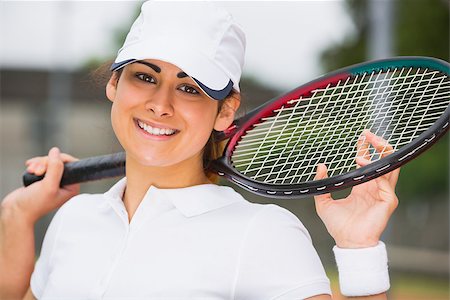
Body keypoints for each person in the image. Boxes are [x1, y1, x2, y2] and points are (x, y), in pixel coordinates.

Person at [0, 1, 399, 299]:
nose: (161, 104)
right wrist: (16, 213)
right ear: (113, 85)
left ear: (225, 110)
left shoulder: (261, 233)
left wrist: (358, 249)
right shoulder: (74, 219)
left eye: (191, 88)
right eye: (144, 76)